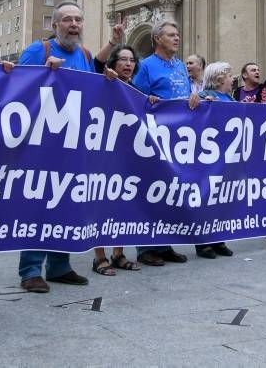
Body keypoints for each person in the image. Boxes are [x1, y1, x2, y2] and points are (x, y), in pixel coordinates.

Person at [17, 0, 120, 293]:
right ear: (54, 26)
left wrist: (106, 80)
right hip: (42, 143)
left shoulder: (85, 55)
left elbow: (89, 89)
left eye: (78, 20)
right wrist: (44, 74)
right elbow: (18, 89)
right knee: (39, 204)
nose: (74, 25)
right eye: (67, 20)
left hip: (74, 143)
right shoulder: (40, 51)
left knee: (65, 203)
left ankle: (60, 266)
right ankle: (31, 270)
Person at [131, 20, 199, 266]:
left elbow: (184, 95)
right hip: (155, 137)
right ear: (158, 39)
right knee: (152, 189)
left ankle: (165, 243)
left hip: (178, 138)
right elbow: (136, 97)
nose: (177, 38)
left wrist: (195, 96)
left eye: (178, 34)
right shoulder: (146, 66)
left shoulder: (180, 65)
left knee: (171, 190)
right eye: (171, 34)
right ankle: (146, 248)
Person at [90, 45, 142, 276]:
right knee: (101, 203)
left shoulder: (134, 89)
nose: (128, 64)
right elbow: (96, 65)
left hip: (126, 155)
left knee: (122, 203)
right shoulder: (103, 82)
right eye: (123, 60)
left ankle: (118, 254)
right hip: (102, 154)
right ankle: (99, 257)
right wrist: (105, 74)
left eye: (132, 60)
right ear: (113, 63)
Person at [195, 62, 236, 258]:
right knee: (207, 199)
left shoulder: (229, 98)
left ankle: (219, 239)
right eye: (229, 75)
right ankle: (203, 243)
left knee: (222, 199)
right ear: (219, 78)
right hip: (209, 158)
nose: (232, 79)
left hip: (227, 158)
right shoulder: (204, 96)